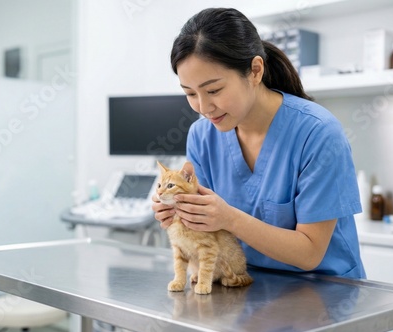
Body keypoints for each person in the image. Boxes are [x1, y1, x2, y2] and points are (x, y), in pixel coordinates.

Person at [152, 8, 365, 279]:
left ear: (255, 71)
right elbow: (208, 232)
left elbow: (310, 253)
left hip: (325, 294)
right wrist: (179, 212)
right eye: (190, 93)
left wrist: (229, 218)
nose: (203, 107)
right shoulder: (201, 136)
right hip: (245, 285)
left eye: (214, 90)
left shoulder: (318, 134)